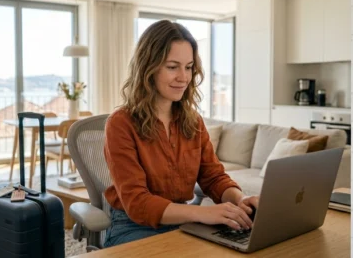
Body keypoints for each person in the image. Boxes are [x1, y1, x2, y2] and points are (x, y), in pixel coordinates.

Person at [102, 19, 259, 248]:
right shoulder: (120, 124)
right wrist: (203, 214)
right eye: (172, 66)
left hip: (183, 222)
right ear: (149, 67)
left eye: (188, 67)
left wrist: (241, 199)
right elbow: (137, 203)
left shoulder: (193, 121)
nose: (184, 77)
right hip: (132, 227)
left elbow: (213, 177)